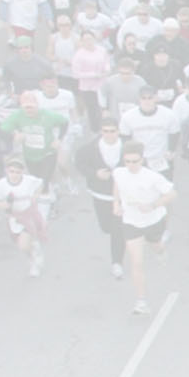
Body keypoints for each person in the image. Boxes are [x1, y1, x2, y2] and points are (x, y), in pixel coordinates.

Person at [111, 141, 176, 315]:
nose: (131, 165)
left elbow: (171, 194)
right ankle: (141, 301)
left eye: (135, 161)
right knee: (136, 262)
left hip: (154, 220)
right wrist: (116, 204)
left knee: (155, 245)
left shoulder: (152, 177)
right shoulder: (119, 172)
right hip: (131, 223)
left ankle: (160, 251)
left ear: (142, 160)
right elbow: (117, 186)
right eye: (128, 162)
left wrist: (153, 205)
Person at [75, 116, 128, 277]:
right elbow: (80, 165)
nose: (109, 135)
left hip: (122, 196)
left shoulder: (128, 146)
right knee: (106, 227)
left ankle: (117, 262)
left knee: (117, 230)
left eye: (112, 131)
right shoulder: (89, 148)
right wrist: (95, 174)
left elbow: (140, 164)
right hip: (100, 194)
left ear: (118, 131)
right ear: (101, 132)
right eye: (105, 131)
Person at [0, 158, 47, 277]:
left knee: (23, 244)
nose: (14, 175)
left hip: (29, 215)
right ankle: (33, 251)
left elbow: (41, 183)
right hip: (14, 218)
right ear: (7, 171)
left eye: (17, 172)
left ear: (22, 172)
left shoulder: (29, 181)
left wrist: (36, 195)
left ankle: (34, 262)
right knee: (22, 247)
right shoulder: (1, 184)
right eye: (11, 171)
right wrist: (1, 205)